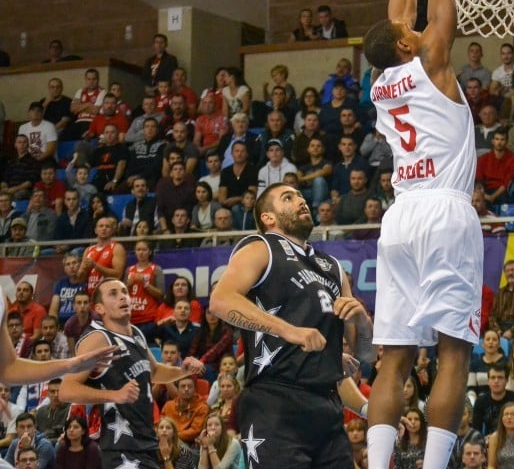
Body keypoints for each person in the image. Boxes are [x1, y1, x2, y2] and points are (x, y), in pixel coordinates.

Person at [209, 183, 373, 469]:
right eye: (288, 197)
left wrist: (362, 320)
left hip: (327, 407)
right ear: (268, 218)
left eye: (300, 196)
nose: (300, 201)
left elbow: (364, 354)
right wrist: (289, 331)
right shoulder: (261, 247)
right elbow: (220, 301)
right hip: (274, 402)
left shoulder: (332, 266)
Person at [59, 279, 205, 469]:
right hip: (121, 449)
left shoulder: (136, 333)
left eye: (124, 292)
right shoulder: (98, 339)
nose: (122, 296)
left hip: (146, 444)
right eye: (113, 293)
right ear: (100, 309)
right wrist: (113, 395)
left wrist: (182, 371)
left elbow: (153, 371)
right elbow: (66, 389)